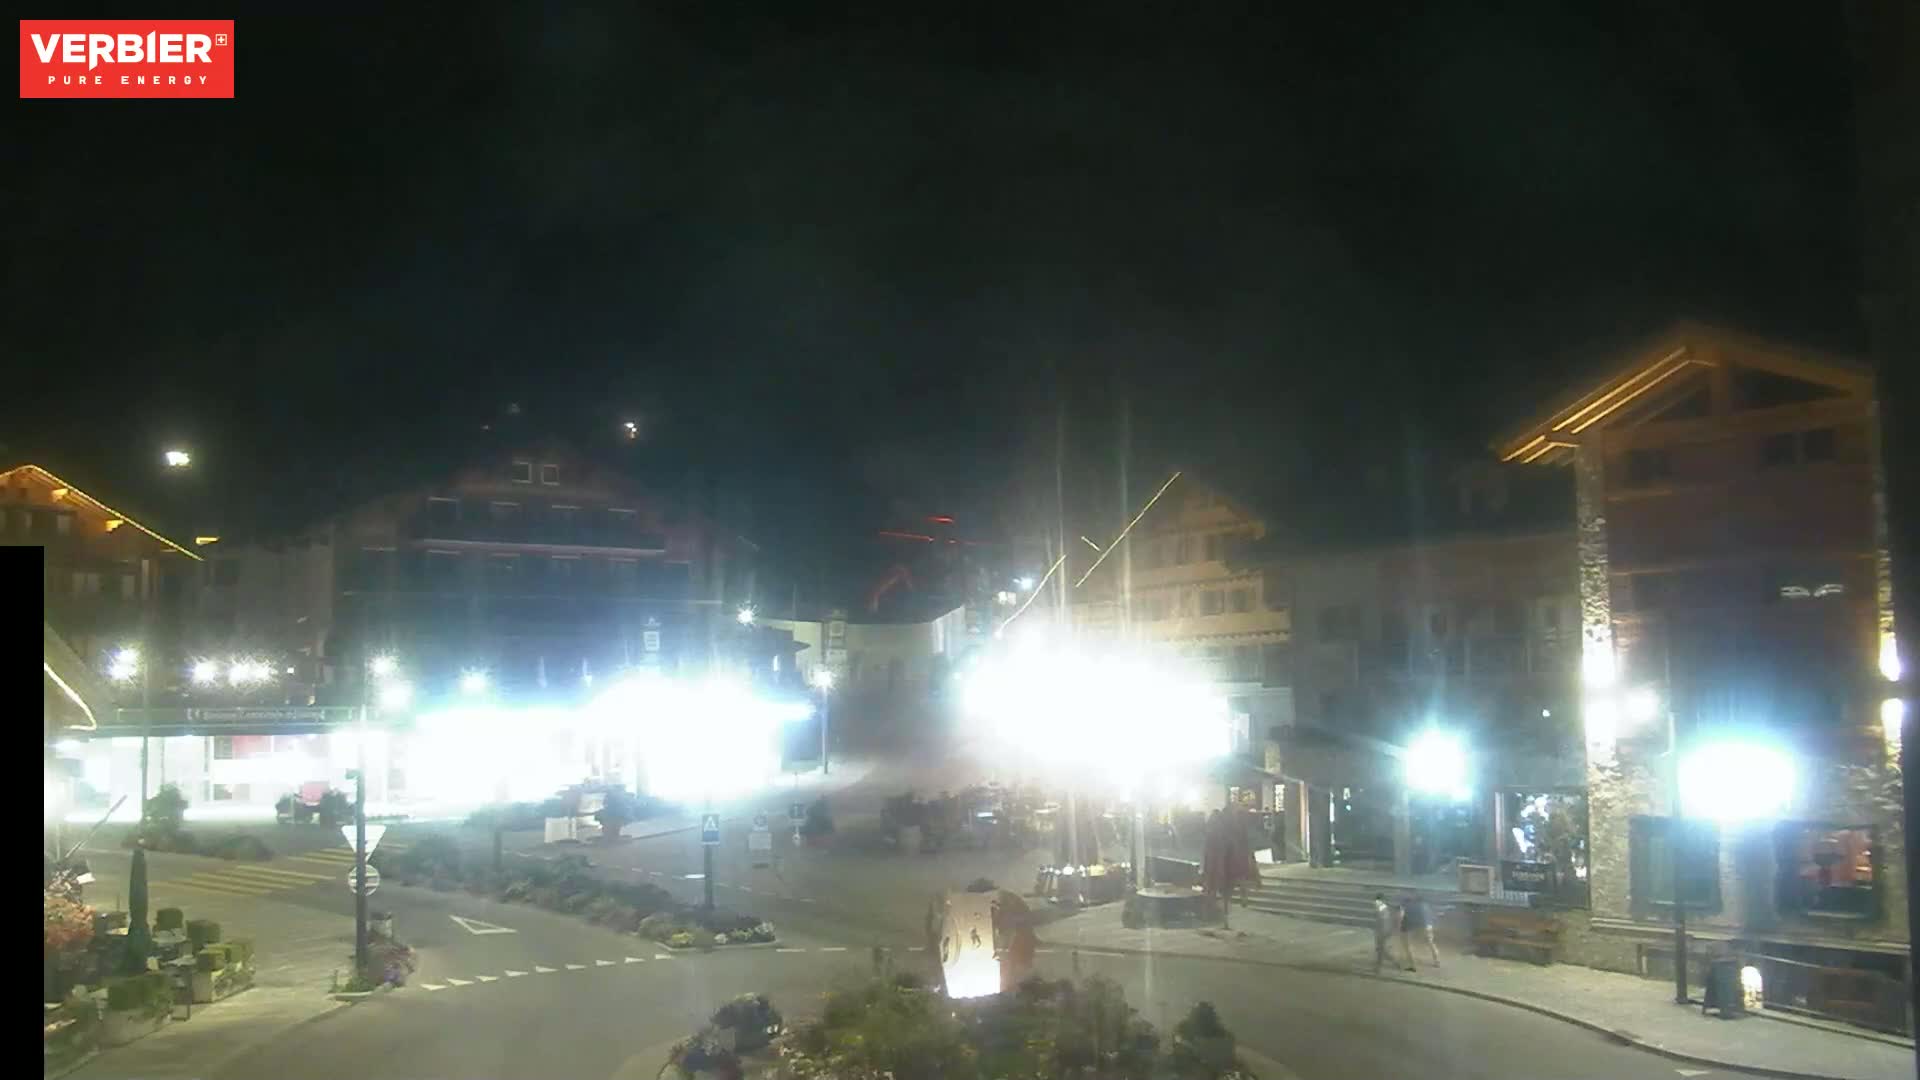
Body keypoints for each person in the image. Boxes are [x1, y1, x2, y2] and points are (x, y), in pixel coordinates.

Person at [1400, 892, 1439, 969]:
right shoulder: (1427, 906)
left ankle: (1412, 965)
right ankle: (1437, 961)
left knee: (1407, 945)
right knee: (1431, 943)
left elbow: (1402, 917)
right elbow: (1433, 917)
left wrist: (1402, 928)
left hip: (1414, 927)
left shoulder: (1408, 906)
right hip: (1428, 927)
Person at [1371, 893, 1396, 974]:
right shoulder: (1383, 907)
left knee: (1380, 950)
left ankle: (1379, 967)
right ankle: (1395, 962)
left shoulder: (1381, 907)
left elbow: (1382, 918)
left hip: (1382, 931)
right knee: (1381, 949)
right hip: (1381, 930)